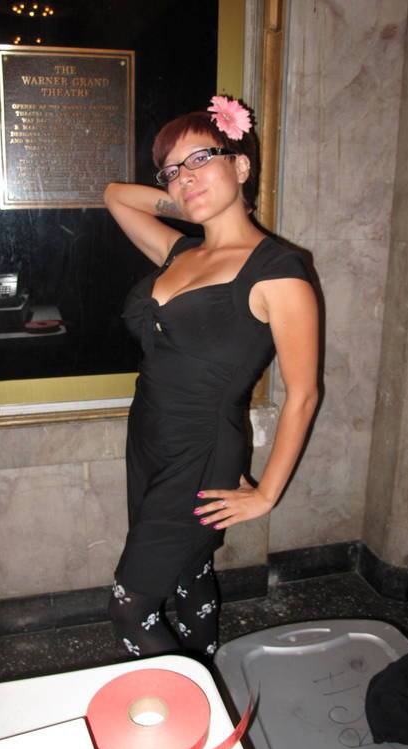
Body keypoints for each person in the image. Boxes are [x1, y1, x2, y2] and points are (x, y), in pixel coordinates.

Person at [104, 96, 318, 664]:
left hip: (200, 450)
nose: (185, 177)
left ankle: (193, 706)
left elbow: (303, 394)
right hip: (148, 437)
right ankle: (211, 672)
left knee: (131, 606)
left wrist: (267, 493)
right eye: (172, 170)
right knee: (189, 568)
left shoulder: (278, 271)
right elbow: (115, 196)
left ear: (241, 165)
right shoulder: (181, 252)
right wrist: (185, 195)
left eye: (201, 158)